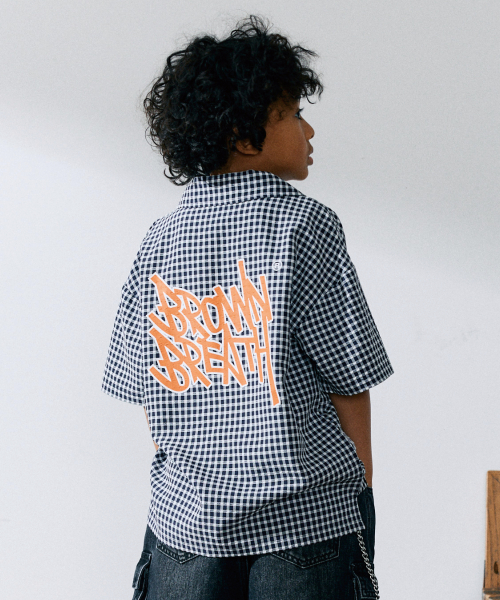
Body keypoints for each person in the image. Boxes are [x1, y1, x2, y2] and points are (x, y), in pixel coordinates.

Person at [102, 15, 393, 600]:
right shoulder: (304, 225)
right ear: (243, 133)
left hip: (186, 524)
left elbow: (145, 390)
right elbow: (349, 379)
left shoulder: (159, 241)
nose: (309, 130)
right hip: (305, 522)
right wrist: (361, 487)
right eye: (293, 114)